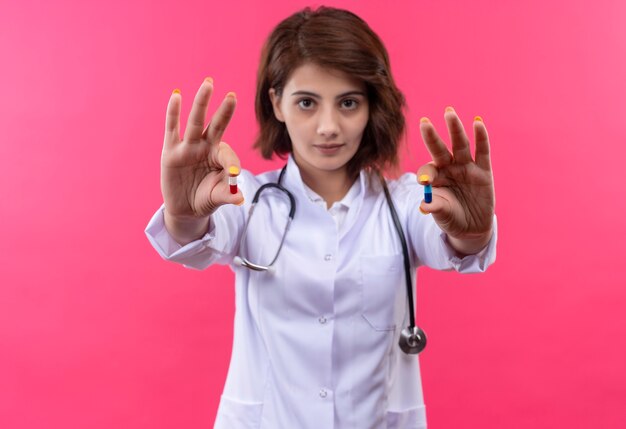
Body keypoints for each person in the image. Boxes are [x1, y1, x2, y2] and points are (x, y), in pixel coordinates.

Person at [145, 6, 497, 429]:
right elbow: (194, 239)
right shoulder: (246, 199)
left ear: (372, 107)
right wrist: (183, 215)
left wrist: (474, 231)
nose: (328, 126)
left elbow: (454, 244)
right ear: (276, 102)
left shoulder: (407, 202)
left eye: (348, 102)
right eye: (307, 102)